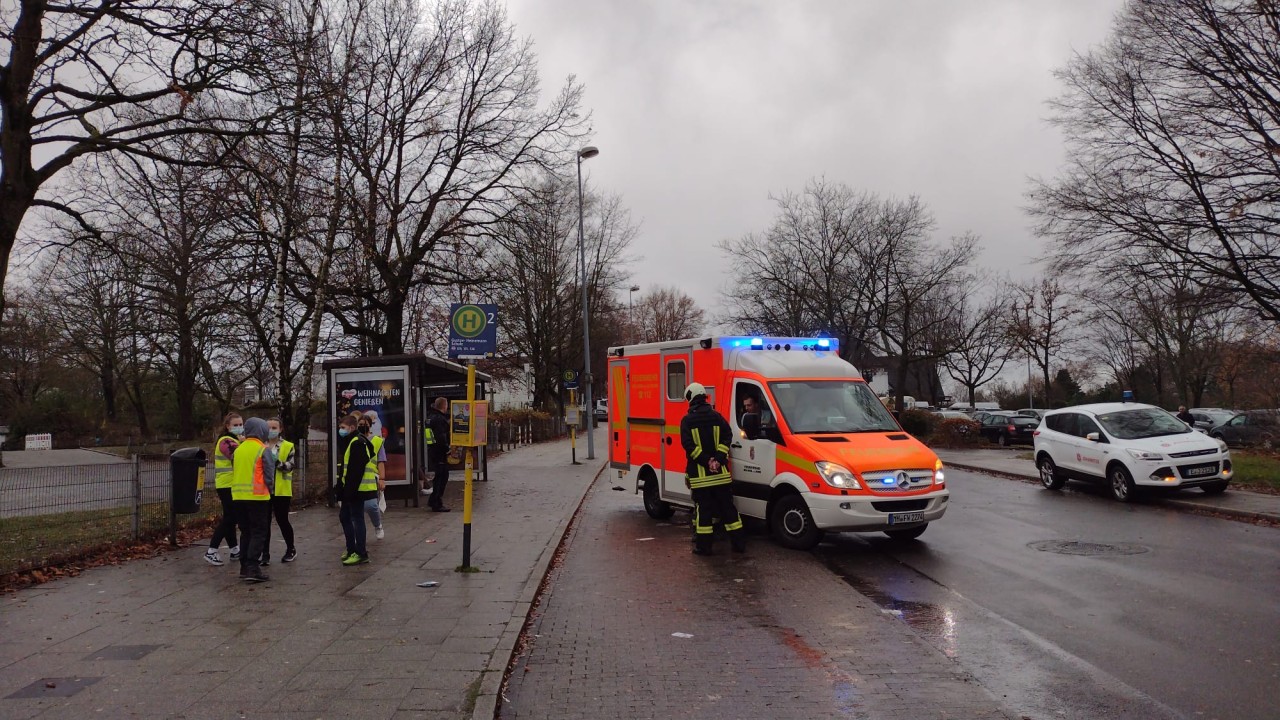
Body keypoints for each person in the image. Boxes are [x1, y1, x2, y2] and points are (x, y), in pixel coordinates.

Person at [680, 382, 745, 556]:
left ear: (691, 398)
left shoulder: (687, 420)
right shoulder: (717, 417)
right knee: (728, 509)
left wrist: (706, 461)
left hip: (701, 478)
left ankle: (704, 547)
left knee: (704, 513)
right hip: (721, 476)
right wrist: (717, 459)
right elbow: (727, 436)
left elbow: (689, 446)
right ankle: (739, 544)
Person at [231, 417, 275, 582]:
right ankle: (253, 568)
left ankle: (244, 567)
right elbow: (269, 475)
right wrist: (270, 492)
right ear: (262, 430)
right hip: (257, 497)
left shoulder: (239, 450)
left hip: (238, 496)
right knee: (259, 532)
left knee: (245, 532)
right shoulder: (263, 449)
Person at [336, 413, 376, 564]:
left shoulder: (357, 442)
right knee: (346, 517)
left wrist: (348, 492)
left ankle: (360, 552)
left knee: (356, 518)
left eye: (343, 428)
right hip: (352, 489)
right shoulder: (352, 441)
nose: (340, 430)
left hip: (357, 490)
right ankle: (352, 549)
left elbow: (355, 471)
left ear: (352, 427)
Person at [204, 413, 242, 566]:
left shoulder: (233, 440)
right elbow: (237, 456)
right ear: (228, 426)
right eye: (236, 425)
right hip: (227, 484)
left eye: (241, 424)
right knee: (230, 518)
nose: (239, 428)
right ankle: (212, 550)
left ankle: (234, 549)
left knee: (230, 517)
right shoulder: (226, 441)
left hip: (231, 484)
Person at [262, 417, 297, 564]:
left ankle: (290, 549)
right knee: (264, 522)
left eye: (274, 428)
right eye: (268, 428)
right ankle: (264, 554)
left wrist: (276, 462)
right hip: (263, 490)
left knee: (282, 520)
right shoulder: (261, 445)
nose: (271, 431)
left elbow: (290, 466)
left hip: (281, 490)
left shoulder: (288, 446)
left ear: (281, 429)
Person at [358, 413, 387, 540]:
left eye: (365, 425)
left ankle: (377, 525)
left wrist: (382, 478)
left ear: (370, 426)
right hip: (356, 479)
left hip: (371, 479)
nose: (363, 427)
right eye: (360, 425)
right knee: (357, 508)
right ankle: (358, 535)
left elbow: (381, 461)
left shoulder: (376, 441)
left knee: (371, 506)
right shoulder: (354, 439)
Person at [424, 397, 452, 512]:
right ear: (444, 406)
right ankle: (436, 502)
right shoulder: (439, 419)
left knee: (439, 476)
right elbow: (441, 436)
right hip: (439, 452)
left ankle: (433, 500)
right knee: (442, 477)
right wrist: (447, 449)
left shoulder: (430, 418)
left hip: (433, 450)